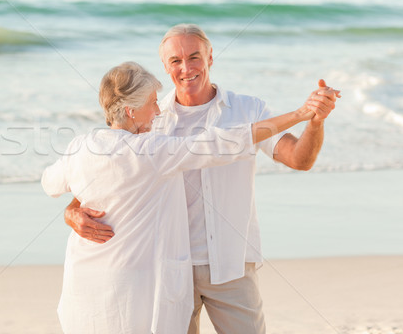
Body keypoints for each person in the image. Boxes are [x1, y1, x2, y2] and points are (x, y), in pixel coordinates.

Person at [64, 25, 340, 333]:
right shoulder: (149, 117)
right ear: (165, 67)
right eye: (175, 61)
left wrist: (315, 120)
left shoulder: (249, 110)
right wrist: (72, 210)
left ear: (210, 56)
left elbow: (299, 159)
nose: (186, 68)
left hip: (232, 264)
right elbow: (109, 174)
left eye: (194, 57)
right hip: (166, 268)